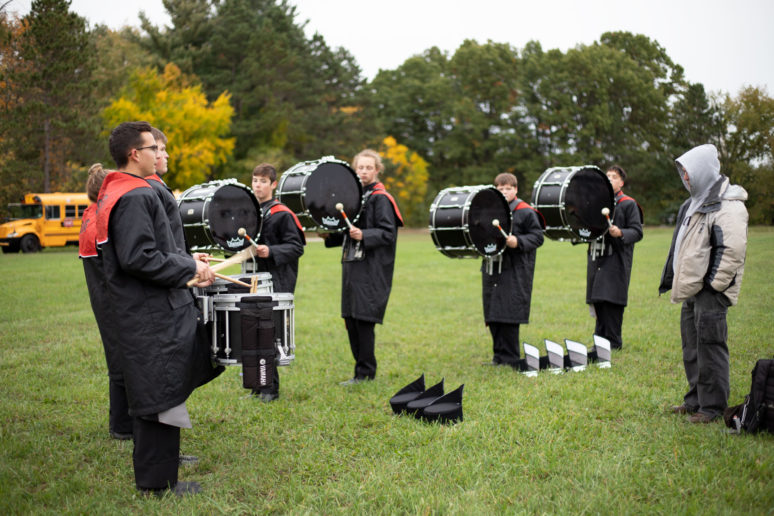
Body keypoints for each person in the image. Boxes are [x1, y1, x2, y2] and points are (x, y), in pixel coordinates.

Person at [96, 121, 222, 496]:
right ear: (135, 154)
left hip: (147, 308)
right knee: (158, 393)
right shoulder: (134, 195)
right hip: (149, 312)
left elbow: (151, 249)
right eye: (154, 148)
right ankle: (157, 485)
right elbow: (139, 257)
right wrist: (188, 268)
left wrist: (186, 260)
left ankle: (160, 478)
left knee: (160, 392)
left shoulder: (123, 190)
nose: (159, 153)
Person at [659, 143, 748, 424]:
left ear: (701, 171)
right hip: (693, 290)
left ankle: (712, 407)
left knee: (710, 345)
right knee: (692, 346)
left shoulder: (727, 205)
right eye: (682, 173)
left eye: (688, 172)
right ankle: (695, 400)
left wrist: (712, 286)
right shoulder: (693, 202)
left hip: (710, 292)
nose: (685, 178)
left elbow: (731, 251)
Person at [324, 149, 403, 385]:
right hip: (352, 266)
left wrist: (364, 234)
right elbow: (347, 232)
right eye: (360, 168)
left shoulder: (381, 198)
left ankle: (366, 372)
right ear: (355, 169)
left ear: (377, 170)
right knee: (350, 318)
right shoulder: (354, 196)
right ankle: (360, 370)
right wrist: (328, 235)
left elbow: (388, 233)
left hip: (372, 269)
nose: (364, 172)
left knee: (363, 318)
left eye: (369, 168)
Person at [79, 164, 133, 440]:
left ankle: (120, 423)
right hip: (113, 301)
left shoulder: (89, 216)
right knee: (123, 362)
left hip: (102, 300)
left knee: (116, 360)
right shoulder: (103, 219)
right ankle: (122, 425)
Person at [250, 163, 305, 401]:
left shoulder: (282, 213)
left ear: (273, 184)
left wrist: (270, 251)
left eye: (263, 181)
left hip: (277, 280)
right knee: (251, 331)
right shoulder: (251, 212)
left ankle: (270, 389)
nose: (257, 185)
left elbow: (296, 247)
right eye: (254, 180)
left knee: (268, 333)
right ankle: (256, 385)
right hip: (253, 278)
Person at [481, 172, 544, 367]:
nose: (504, 192)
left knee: (508, 312)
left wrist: (519, 241)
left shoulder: (526, 211)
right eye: (500, 189)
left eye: (508, 188)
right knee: (493, 312)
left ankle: (510, 357)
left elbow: (538, 237)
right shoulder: (492, 210)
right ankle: (498, 356)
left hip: (515, 269)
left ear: (515, 189)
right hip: (493, 268)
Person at [586, 165, 643, 350]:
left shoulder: (628, 204)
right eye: (607, 176)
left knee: (611, 300)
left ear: (621, 182)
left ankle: (613, 343)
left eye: (613, 177)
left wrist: (620, 232)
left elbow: (637, 231)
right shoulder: (598, 202)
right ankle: (600, 341)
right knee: (599, 300)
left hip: (616, 259)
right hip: (598, 259)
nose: (609, 179)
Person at [147, 126, 186, 254]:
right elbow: (162, 240)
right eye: (162, 150)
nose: (167, 155)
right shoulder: (152, 188)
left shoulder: (158, 185)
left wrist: (189, 258)